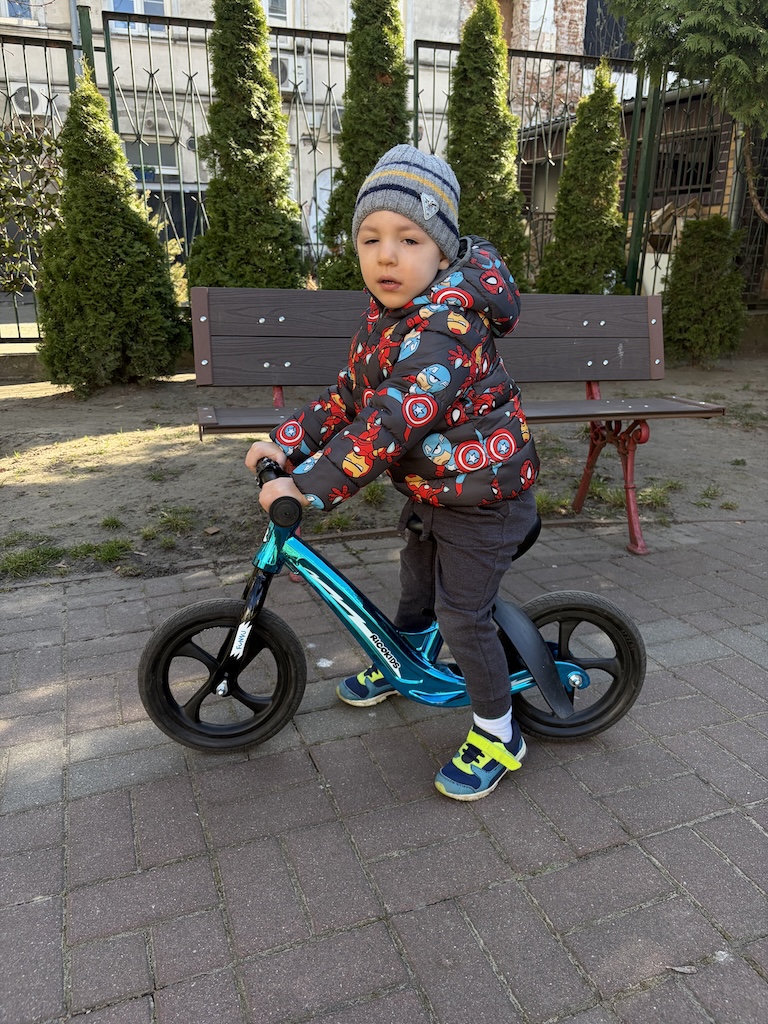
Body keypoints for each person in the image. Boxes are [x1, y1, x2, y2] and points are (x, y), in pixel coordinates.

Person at [246, 144, 540, 801]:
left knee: (463, 615)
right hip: (438, 493)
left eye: (409, 239)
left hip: (486, 501)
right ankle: (402, 660)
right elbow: (348, 397)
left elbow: (387, 423)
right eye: (371, 238)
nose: (386, 256)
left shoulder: (445, 330)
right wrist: (286, 442)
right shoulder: (387, 321)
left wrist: (308, 486)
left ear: (441, 252)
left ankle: (499, 732)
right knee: (415, 588)